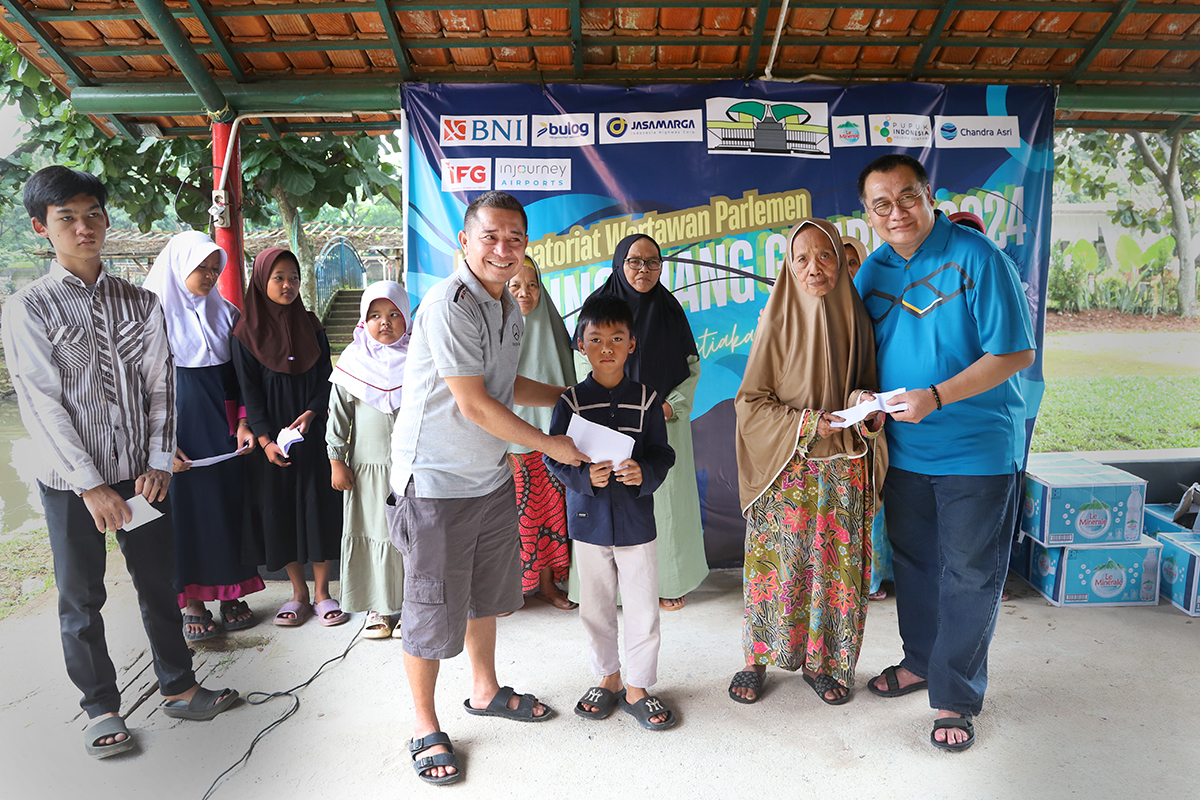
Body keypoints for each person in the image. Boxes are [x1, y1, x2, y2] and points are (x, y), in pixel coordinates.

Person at [2, 166, 237, 759]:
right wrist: (88, 486)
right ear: (42, 228)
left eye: (92, 215)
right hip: (70, 483)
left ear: (105, 220)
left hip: (141, 476)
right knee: (81, 597)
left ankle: (179, 688)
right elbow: (41, 404)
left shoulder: (141, 301)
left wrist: (159, 460)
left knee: (158, 583)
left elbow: (163, 388)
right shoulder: (29, 307)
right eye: (67, 219)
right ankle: (101, 707)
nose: (83, 228)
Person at [388, 191, 587, 785]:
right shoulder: (450, 304)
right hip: (437, 483)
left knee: (483, 594)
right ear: (465, 244)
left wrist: (570, 398)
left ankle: (484, 689)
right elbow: (474, 404)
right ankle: (425, 725)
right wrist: (555, 444)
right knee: (429, 607)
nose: (504, 250)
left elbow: (502, 384)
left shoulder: (509, 307)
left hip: (489, 478)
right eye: (491, 238)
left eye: (515, 240)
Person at [854, 154, 1035, 751]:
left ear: (928, 195)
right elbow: (860, 354)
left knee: (969, 575)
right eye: (882, 204)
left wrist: (937, 395)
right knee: (916, 566)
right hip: (904, 453)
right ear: (868, 214)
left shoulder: (979, 258)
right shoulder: (872, 272)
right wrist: (861, 396)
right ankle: (920, 661)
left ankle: (954, 697)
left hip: (976, 453)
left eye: (907, 197)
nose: (896, 212)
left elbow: (1014, 354)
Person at [728, 217, 886, 707]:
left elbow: (866, 389)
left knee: (834, 571)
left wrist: (866, 405)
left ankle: (826, 663)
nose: (814, 267)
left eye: (825, 256)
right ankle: (756, 658)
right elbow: (750, 403)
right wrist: (807, 423)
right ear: (789, 267)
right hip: (786, 470)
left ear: (840, 260)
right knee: (776, 568)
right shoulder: (774, 323)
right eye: (802, 258)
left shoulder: (857, 319)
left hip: (843, 471)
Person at [544, 294, 678, 731]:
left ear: (631, 345)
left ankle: (638, 686)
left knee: (642, 607)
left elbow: (663, 452)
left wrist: (645, 471)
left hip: (637, 521)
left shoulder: (647, 400)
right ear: (581, 345)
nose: (606, 347)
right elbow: (554, 458)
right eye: (596, 338)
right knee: (595, 607)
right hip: (588, 522)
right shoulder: (571, 402)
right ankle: (609, 676)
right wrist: (585, 479)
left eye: (616, 338)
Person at [577, 234, 708, 611]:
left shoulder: (670, 309)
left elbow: (691, 368)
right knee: (610, 495)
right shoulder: (599, 306)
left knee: (663, 501)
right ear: (620, 264)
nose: (644, 270)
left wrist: (669, 406)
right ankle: (610, 591)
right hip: (609, 422)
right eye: (635, 261)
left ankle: (670, 580)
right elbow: (583, 358)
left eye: (653, 262)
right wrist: (609, 403)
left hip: (664, 420)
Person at [144, 231, 263, 642]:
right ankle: (192, 602)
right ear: (179, 267)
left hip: (221, 430)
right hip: (174, 434)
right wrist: (157, 444)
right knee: (183, 517)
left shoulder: (226, 313)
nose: (210, 276)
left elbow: (240, 379)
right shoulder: (149, 317)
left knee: (227, 510)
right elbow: (135, 386)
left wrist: (246, 421)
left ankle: (231, 594)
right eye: (202, 268)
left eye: (216, 269)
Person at [232, 248, 345, 628]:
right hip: (272, 443)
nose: (287, 285)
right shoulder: (246, 333)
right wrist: (266, 443)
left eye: (293, 278)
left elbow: (327, 378)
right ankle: (297, 594)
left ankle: (323, 592)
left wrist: (312, 414)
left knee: (318, 508)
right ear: (262, 280)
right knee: (281, 513)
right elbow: (250, 394)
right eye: (278, 277)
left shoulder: (312, 325)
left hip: (311, 435)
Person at [327, 281, 411, 639]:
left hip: (414, 469)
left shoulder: (422, 359)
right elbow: (338, 417)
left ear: (408, 316)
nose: (385, 322)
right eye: (375, 315)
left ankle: (411, 605)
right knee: (377, 532)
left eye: (394, 314)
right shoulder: (353, 362)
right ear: (364, 320)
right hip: (368, 469)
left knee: (412, 536)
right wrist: (336, 459)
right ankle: (380, 605)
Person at [506, 256, 577, 610]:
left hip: (552, 442)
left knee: (550, 514)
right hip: (508, 443)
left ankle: (548, 585)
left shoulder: (553, 329)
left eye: (532, 285)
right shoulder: (496, 330)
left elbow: (570, 384)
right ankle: (510, 590)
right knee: (513, 520)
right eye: (515, 286)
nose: (525, 292)